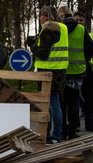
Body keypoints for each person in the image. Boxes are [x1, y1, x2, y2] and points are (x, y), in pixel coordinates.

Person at [28, 6, 68, 144]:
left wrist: (32, 46)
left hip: (47, 72)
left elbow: (43, 54)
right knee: (55, 102)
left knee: (52, 104)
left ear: (45, 16)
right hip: (61, 70)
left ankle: (54, 135)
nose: (40, 19)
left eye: (40, 16)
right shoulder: (63, 28)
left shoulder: (48, 29)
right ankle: (56, 133)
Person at [57, 6, 93, 140]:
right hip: (79, 71)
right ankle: (73, 132)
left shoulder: (60, 28)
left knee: (62, 103)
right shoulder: (81, 29)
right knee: (74, 102)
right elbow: (92, 47)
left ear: (62, 15)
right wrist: (83, 59)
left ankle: (62, 132)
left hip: (62, 70)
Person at [74, 11, 93, 132]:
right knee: (73, 100)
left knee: (91, 99)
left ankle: (92, 125)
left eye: (81, 20)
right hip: (73, 71)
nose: (79, 22)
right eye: (77, 20)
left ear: (84, 21)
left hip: (87, 70)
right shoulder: (69, 33)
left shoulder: (88, 35)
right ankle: (74, 127)